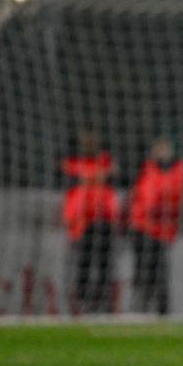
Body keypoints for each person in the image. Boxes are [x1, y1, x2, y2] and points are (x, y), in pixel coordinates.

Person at [127, 135, 183, 315]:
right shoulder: (145, 169)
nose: (161, 151)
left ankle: (161, 309)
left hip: (163, 230)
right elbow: (137, 196)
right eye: (158, 148)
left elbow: (180, 196)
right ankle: (141, 305)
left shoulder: (179, 169)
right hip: (142, 227)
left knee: (160, 269)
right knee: (143, 268)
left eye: (164, 147)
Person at [62, 130, 118, 313]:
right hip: (82, 222)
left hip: (104, 220)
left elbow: (114, 175)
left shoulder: (105, 161)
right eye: (85, 139)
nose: (88, 143)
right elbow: (67, 178)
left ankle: (104, 301)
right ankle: (82, 302)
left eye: (91, 139)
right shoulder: (72, 163)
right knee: (84, 264)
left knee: (104, 264)